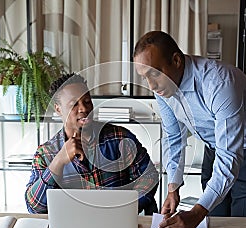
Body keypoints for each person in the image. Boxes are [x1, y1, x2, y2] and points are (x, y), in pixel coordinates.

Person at [133, 31, 246, 228]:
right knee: (216, 220)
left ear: (176, 60)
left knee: (244, 224)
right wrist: (173, 187)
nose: (151, 85)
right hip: (214, 143)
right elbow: (174, 137)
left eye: (155, 73)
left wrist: (196, 213)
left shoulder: (219, 82)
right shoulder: (163, 89)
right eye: (144, 77)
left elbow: (230, 155)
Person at [25, 73, 159, 214]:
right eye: (74, 104)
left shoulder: (119, 138)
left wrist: (126, 209)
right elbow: (35, 207)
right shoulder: (46, 154)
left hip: (116, 226)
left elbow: (149, 176)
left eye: (87, 101)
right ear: (58, 109)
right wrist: (58, 161)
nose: (84, 109)